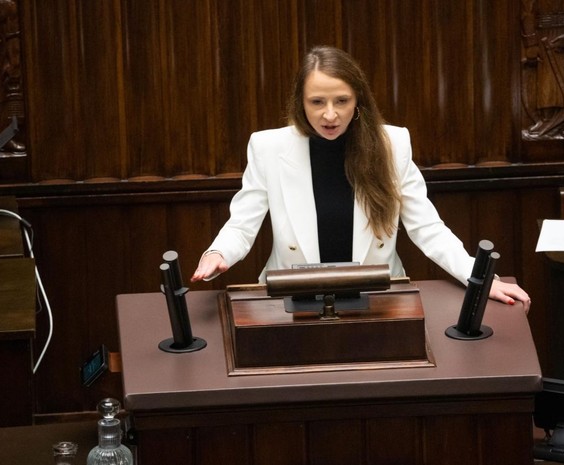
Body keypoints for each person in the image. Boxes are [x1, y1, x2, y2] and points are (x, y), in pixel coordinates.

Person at [191, 46, 531, 309]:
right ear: (300, 102)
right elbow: (242, 224)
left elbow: (428, 228)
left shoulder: (392, 144)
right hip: (292, 299)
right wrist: (218, 253)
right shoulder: (268, 147)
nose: (330, 114)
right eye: (317, 102)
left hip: (379, 298)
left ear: (358, 100)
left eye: (341, 100)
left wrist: (480, 279)